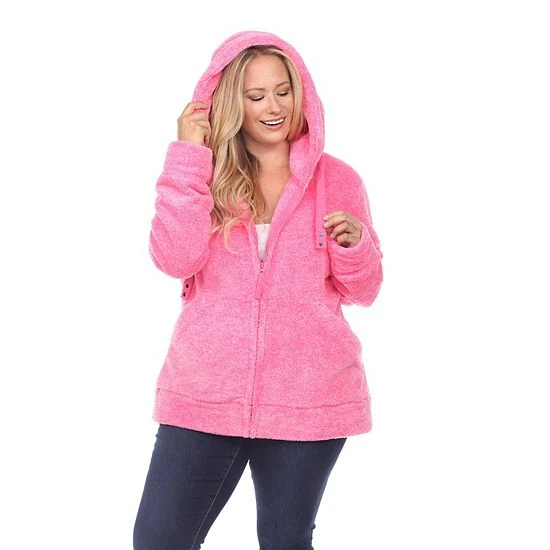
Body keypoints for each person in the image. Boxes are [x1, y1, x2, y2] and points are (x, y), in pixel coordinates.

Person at [133, 30, 383, 550]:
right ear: (231, 104)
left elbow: (364, 290)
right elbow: (174, 259)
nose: (274, 106)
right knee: (159, 539)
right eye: (256, 95)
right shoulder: (205, 176)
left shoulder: (338, 180)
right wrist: (187, 155)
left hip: (308, 396)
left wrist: (355, 246)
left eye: (283, 91)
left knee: (284, 540)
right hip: (205, 391)